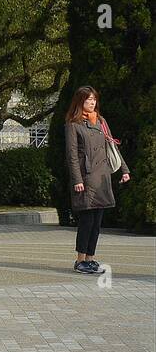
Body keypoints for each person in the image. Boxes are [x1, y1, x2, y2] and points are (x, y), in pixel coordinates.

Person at [64, 86, 131, 274]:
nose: (92, 103)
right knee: (87, 220)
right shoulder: (73, 124)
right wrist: (77, 179)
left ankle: (91, 259)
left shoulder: (101, 121)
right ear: (80, 102)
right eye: (88, 100)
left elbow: (112, 147)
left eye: (94, 99)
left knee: (97, 222)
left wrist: (123, 170)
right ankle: (80, 260)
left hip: (102, 177)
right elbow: (72, 156)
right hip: (86, 178)